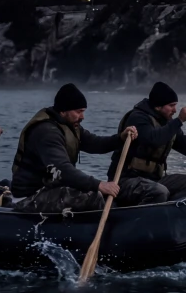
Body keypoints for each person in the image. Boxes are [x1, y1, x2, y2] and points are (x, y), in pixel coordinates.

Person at [11, 83, 160, 213]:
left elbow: (97, 144)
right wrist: (99, 185)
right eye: (79, 111)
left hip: (50, 189)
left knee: (99, 194)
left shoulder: (70, 126)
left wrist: (120, 138)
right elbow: (62, 169)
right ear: (63, 111)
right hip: (30, 196)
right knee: (93, 195)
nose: (82, 116)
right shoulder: (46, 132)